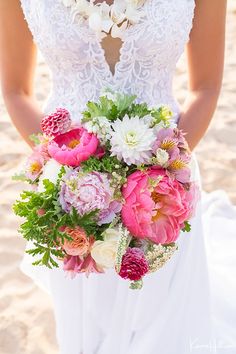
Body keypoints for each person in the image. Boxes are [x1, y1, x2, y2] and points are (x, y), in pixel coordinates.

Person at [0, 1, 235, 353]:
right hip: (69, 199)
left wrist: (167, 170)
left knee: (162, 329)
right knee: (87, 326)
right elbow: (16, 91)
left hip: (164, 196)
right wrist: (60, 170)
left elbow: (205, 88)